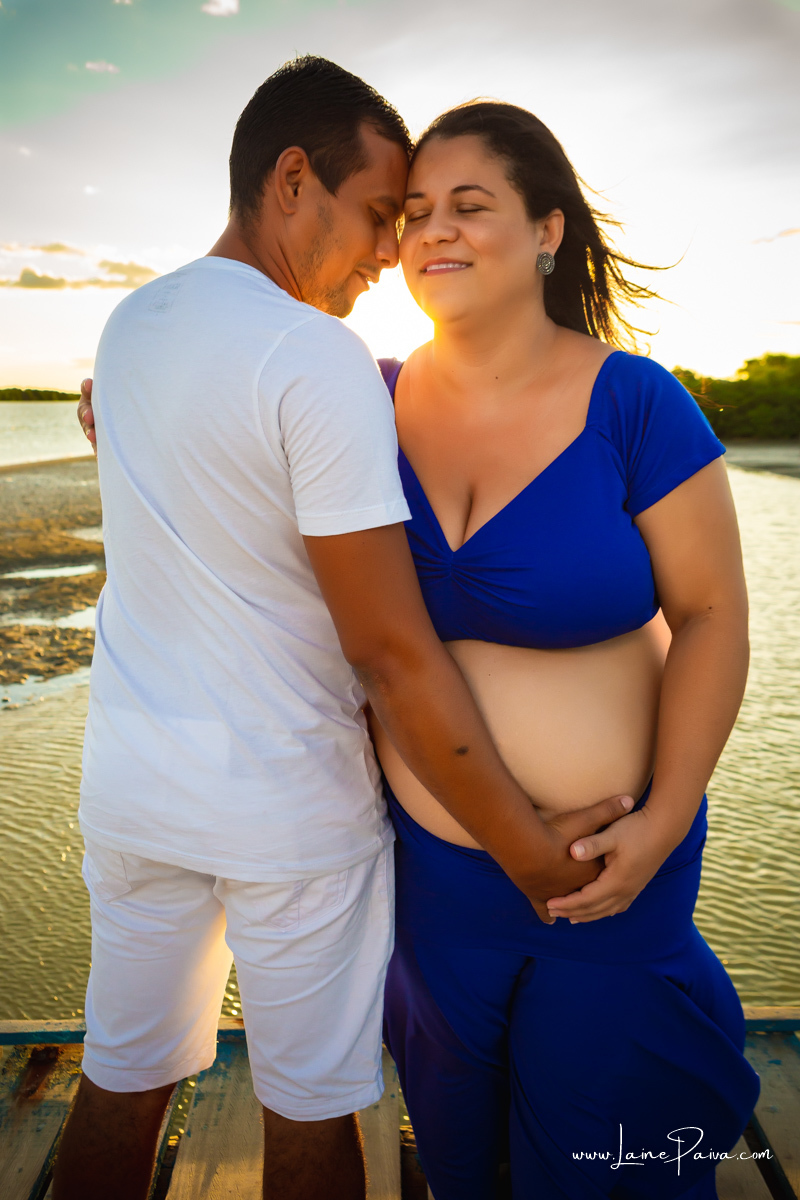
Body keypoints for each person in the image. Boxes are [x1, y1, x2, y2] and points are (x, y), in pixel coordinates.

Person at [60, 62, 633, 1200]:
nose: (389, 250)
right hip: (286, 813)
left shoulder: (131, 325)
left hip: (133, 792)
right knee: (311, 1105)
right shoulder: (311, 352)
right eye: (379, 213)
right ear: (292, 179)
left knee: (119, 1079)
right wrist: (528, 854)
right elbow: (385, 649)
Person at [368, 103, 760, 1199]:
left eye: (469, 205)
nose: (434, 230)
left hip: (608, 874)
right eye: (413, 212)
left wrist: (662, 821)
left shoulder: (635, 402)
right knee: (458, 1158)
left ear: (546, 230)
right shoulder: (366, 398)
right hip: (433, 881)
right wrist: (131, 402)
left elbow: (714, 618)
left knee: (606, 1159)